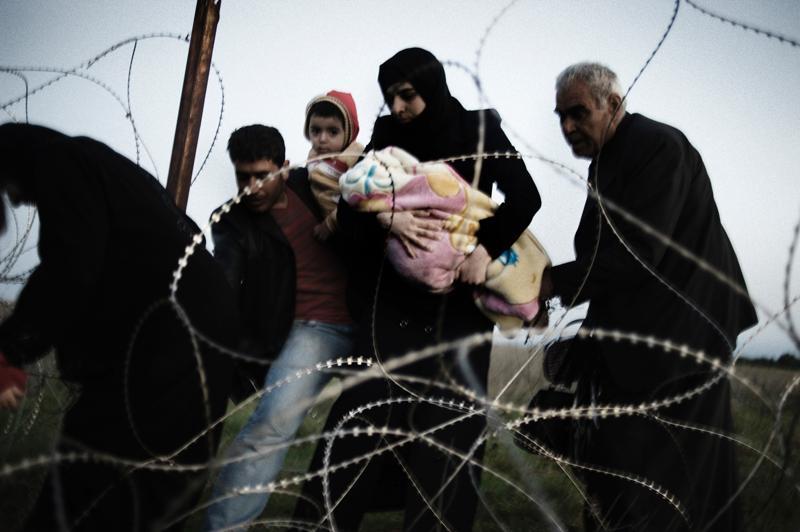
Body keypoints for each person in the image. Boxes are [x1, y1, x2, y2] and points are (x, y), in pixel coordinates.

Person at [293, 47, 541, 531]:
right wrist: (386, 214)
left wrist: (483, 250)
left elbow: (526, 195)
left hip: (457, 316)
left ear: (432, 88)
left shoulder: (480, 130)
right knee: (357, 426)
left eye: (407, 95)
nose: (399, 107)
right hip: (392, 311)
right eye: (391, 98)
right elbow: (350, 208)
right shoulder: (387, 138)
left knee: (446, 440)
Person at [543, 63, 757, 531]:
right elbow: (603, 254)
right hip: (648, 339)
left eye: (577, 113)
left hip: (683, 341)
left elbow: (637, 253)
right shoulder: (610, 158)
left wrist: (550, 285)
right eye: (559, 116)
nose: (567, 127)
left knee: (671, 479)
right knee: (629, 474)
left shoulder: (656, 147)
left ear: (613, 104)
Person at [0, 123, 237, 531]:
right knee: (158, 475)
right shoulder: (93, 162)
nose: (16, 200)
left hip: (175, 333)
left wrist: (12, 350)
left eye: (6, 186)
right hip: (193, 325)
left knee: (93, 467)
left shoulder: (63, 162)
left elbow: (71, 266)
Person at [204, 124, 355, 530]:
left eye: (262, 176)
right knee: (271, 424)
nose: (252, 187)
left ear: (285, 169)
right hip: (312, 330)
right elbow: (225, 275)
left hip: (374, 320)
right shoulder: (233, 221)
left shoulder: (320, 184)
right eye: (243, 177)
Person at [304, 90, 364, 241]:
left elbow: (362, 197)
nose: (322, 139)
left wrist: (330, 224)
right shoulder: (313, 157)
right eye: (316, 131)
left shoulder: (354, 156)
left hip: (355, 225)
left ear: (349, 132)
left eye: (333, 132)